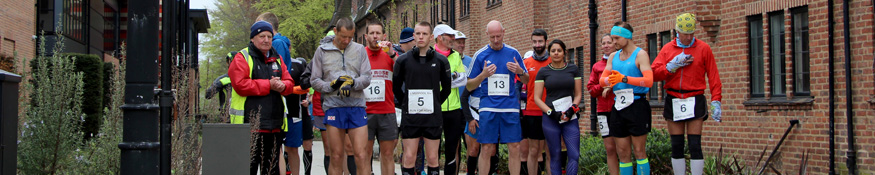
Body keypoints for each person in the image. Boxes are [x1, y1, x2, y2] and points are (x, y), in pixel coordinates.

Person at [651, 13, 723, 175]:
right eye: (685, 34)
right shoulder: (668, 49)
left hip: (695, 97)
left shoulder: (703, 48)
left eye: (691, 33)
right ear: (677, 32)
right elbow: (654, 74)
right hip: (674, 97)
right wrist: (670, 67)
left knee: (694, 144)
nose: (688, 37)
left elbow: (713, 76)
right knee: (676, 144)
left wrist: (716, 100)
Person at [228, 20, 296, 175]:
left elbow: (289, 82)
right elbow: (240, 85)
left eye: (269, 37)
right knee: (248, 169)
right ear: (252, 38)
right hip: (250, 126)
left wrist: (283, 86)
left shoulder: (276, 57)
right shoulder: (242, 57)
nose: (266, 40)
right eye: (262, 36)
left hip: (274, 126)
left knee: (272, 169)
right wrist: (268, 85)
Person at [310, 17, 373, 175]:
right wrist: (331, 85)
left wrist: (352, 83)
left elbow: (366, 77)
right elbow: (314, 80)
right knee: (336, 156)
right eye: (343, 37)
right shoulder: (322, 51)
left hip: (356, 105)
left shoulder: (359, 50)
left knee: (361, 155)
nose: (346, 41)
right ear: (335, 31)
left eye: (350, 37)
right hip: (333, 106)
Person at [466, 20, 528, 175]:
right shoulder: (480, 55)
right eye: (492, 37)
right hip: (488, 107)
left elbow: (527, 79)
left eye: (498, 36)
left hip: (510, 107)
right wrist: (483, 75)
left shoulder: (513, 53)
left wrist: (520, 71)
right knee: (487, 147)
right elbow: (469, 86)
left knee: (515, 146)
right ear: (487, 35)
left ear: (504, 32)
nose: (496, 40)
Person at [255, 12, 313, 175]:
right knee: (278, 148)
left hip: (285, 104)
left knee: (282, 148)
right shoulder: (277, 42)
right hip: (281, 103)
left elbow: (278, 70)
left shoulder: (278, 43)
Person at [393, 21, 452, 175]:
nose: (421, 37)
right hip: (411, 117)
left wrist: (436, 103)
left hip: (432, 118)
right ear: (413, 36)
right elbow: (396, 87)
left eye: (424, 34)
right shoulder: (403, 60)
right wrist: (406, 103)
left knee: (433, 158)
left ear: (431, 37)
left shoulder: (441, 61)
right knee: (409, 157)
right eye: (418, 33)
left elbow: (446, 88)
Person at [599, 21, 654, 175]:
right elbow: (602, 80)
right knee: (623, 153)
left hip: (637, 105)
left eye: (616, 38)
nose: (613, 42)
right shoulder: (613, 56)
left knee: (639, 151)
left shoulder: (640, 54)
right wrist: (611, 82)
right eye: (612, 38)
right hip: (618, 106)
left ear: (627, 37)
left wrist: (624, 79)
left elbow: (649, 81)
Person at [532, 39, 582, 175]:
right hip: (551, 118)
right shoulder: (543, 71)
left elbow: (578, 95)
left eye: (559, 50)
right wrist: (551, 113)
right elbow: (537, 98)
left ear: (564, 52)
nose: (556, 53)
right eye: (553, 51)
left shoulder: (573, 69)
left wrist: (573, 108)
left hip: (569, 117)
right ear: (549, 53)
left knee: (574, 154)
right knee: (555, 154)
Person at [425, 24, 468, 175]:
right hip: (435, 109)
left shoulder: (456, 55)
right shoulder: (429, 54)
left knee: (452, 149)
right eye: (449, 36)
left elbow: (463, 79)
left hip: (454, 110)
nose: (453, 39)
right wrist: (452, 76)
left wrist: (443, 79)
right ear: (439, 37)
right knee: (433, 150)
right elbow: (427, 80)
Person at [362, 20, 399, 175]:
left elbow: (402, 70)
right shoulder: (360, 55)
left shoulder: (390, 54)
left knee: (388, 154)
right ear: (366, 36)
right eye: (372, 33)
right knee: (365, 155)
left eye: (378, 33)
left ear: (384, 35)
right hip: (365, 112)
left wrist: (391, 53)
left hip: (386, 111)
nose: (375, 36)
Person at [587, 34, 620, 175]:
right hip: (603, 111)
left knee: (622, 147)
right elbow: (591, 89)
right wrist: (603, 86)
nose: (606, 45)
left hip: (620, 109)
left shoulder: (621, 62)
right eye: (603, 43)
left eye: (609, 42)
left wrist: (611, 86)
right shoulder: (597, 66)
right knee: (610, 148)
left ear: (615, 44)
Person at [519, 29, 550, 175]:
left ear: (546, 42)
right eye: (535, 42)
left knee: (551, 151)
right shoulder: (525, 63)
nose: (537, 45)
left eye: (540, 41)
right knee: (533, 150)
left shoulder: (554, 61)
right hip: (531, 110)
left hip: (551, 111)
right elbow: (519, 86)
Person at [205, 51, 238, 121]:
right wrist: (219, 84)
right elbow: (208, 95)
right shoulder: (223, 79)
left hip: (245, 115)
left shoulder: (248, 77)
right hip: (226, 117)